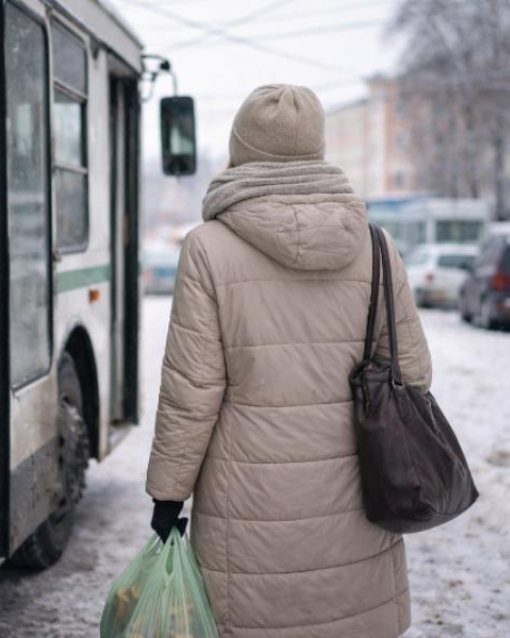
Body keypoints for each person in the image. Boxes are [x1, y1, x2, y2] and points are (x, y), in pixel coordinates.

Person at [145, 84, 432, 637]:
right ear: (317, 150)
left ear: (243, 149)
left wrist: (168, 491)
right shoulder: (375, 245)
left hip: (247, 503)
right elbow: (412, 373)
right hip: (355, 492)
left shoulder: (207, 247)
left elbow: (192, 389)